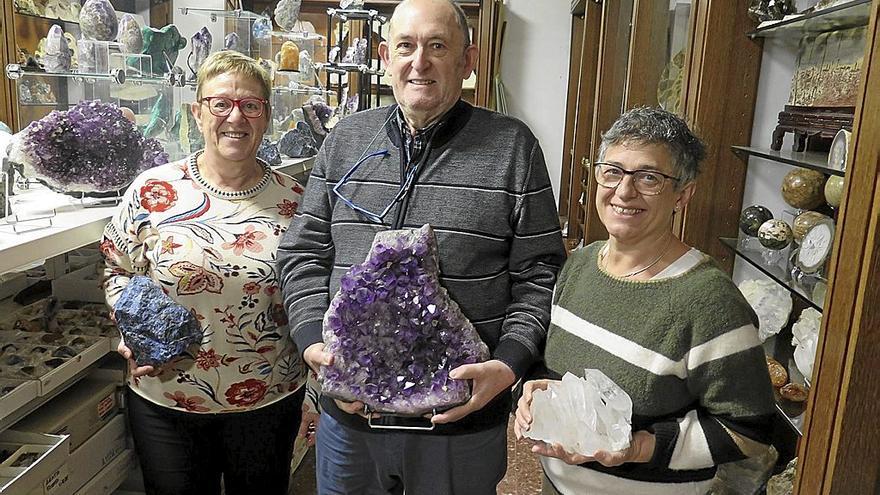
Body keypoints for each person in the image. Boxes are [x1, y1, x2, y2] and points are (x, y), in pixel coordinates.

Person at [276, 0, 567, 492]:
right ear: (386, 56)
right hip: (351, 421)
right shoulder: (345, 140)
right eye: (407, 47)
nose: (420, 61)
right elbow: (302, 253)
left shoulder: (513, 147)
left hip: (458, 421)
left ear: (467, 61)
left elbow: (540, 272)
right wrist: (312, 343)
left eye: (437, 46)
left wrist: (510, 362)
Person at [514, 107, 776, 494]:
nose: (624, 192)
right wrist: (539, 388)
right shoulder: (581, 264)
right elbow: (563, 368)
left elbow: (748, 431)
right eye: (613, 171)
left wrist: (638, 448)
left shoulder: (711, 303)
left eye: (649, 178)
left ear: (682, 195)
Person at [102, 50, 317, 495]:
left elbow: (313, 287)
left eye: (250, 105)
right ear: (198, 112)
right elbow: (116, 267)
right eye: (221, 103)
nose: (234, 117)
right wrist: (128, 326)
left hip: (268, 398)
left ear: (266, 116)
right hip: (167, 395)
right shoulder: (153, 189)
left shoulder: (297, 200)